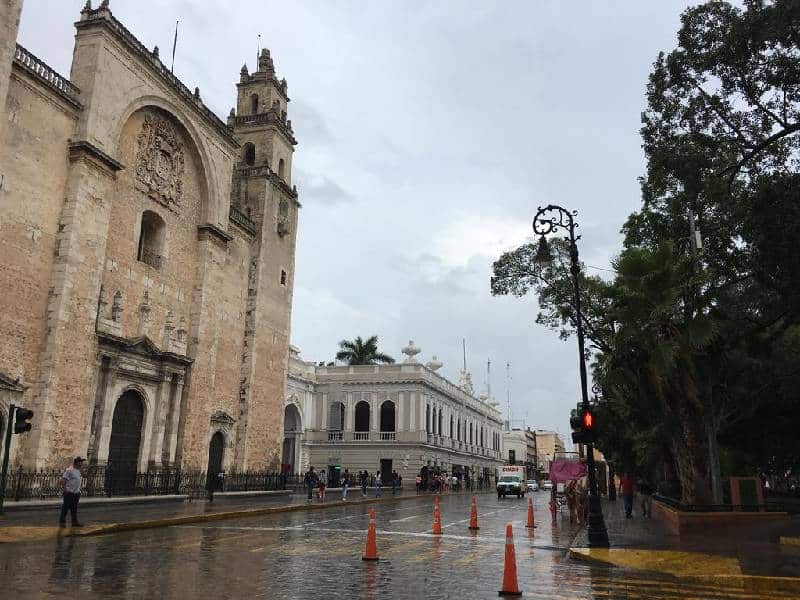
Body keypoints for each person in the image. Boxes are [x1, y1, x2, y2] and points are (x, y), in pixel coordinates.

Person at [59, 456, 85, 527]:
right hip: (69, 492)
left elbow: (84, 476)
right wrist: (65, 489)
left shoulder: (79, 471)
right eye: (81, 462)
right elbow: (63, 480)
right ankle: (62, 523)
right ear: (77, 463)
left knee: (74, 509)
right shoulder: (69, 470)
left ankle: (74, 522)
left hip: (76, 493)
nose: (82, 463)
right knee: (65, 508)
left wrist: (82, 470)